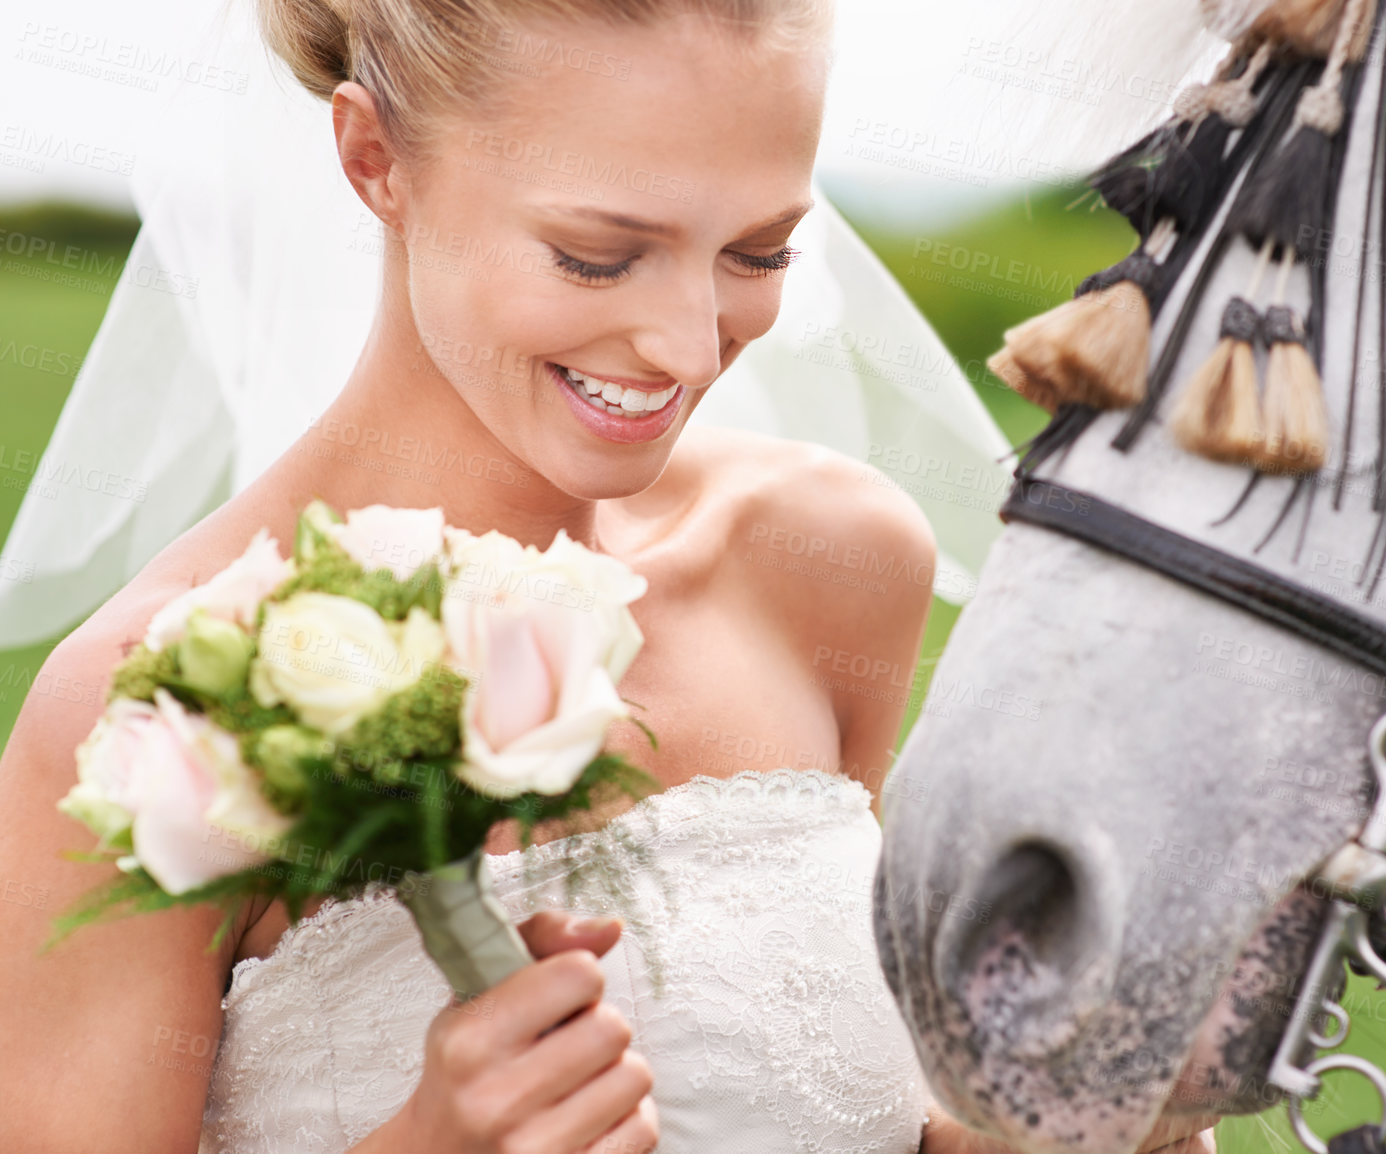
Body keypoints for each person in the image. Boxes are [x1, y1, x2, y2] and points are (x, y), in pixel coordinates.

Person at [0, 0, 1219, 1151]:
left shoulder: (831, 566)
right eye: (596, 257)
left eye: (757, 250)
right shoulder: (161, 702)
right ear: (375, 160)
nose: (691, 345)